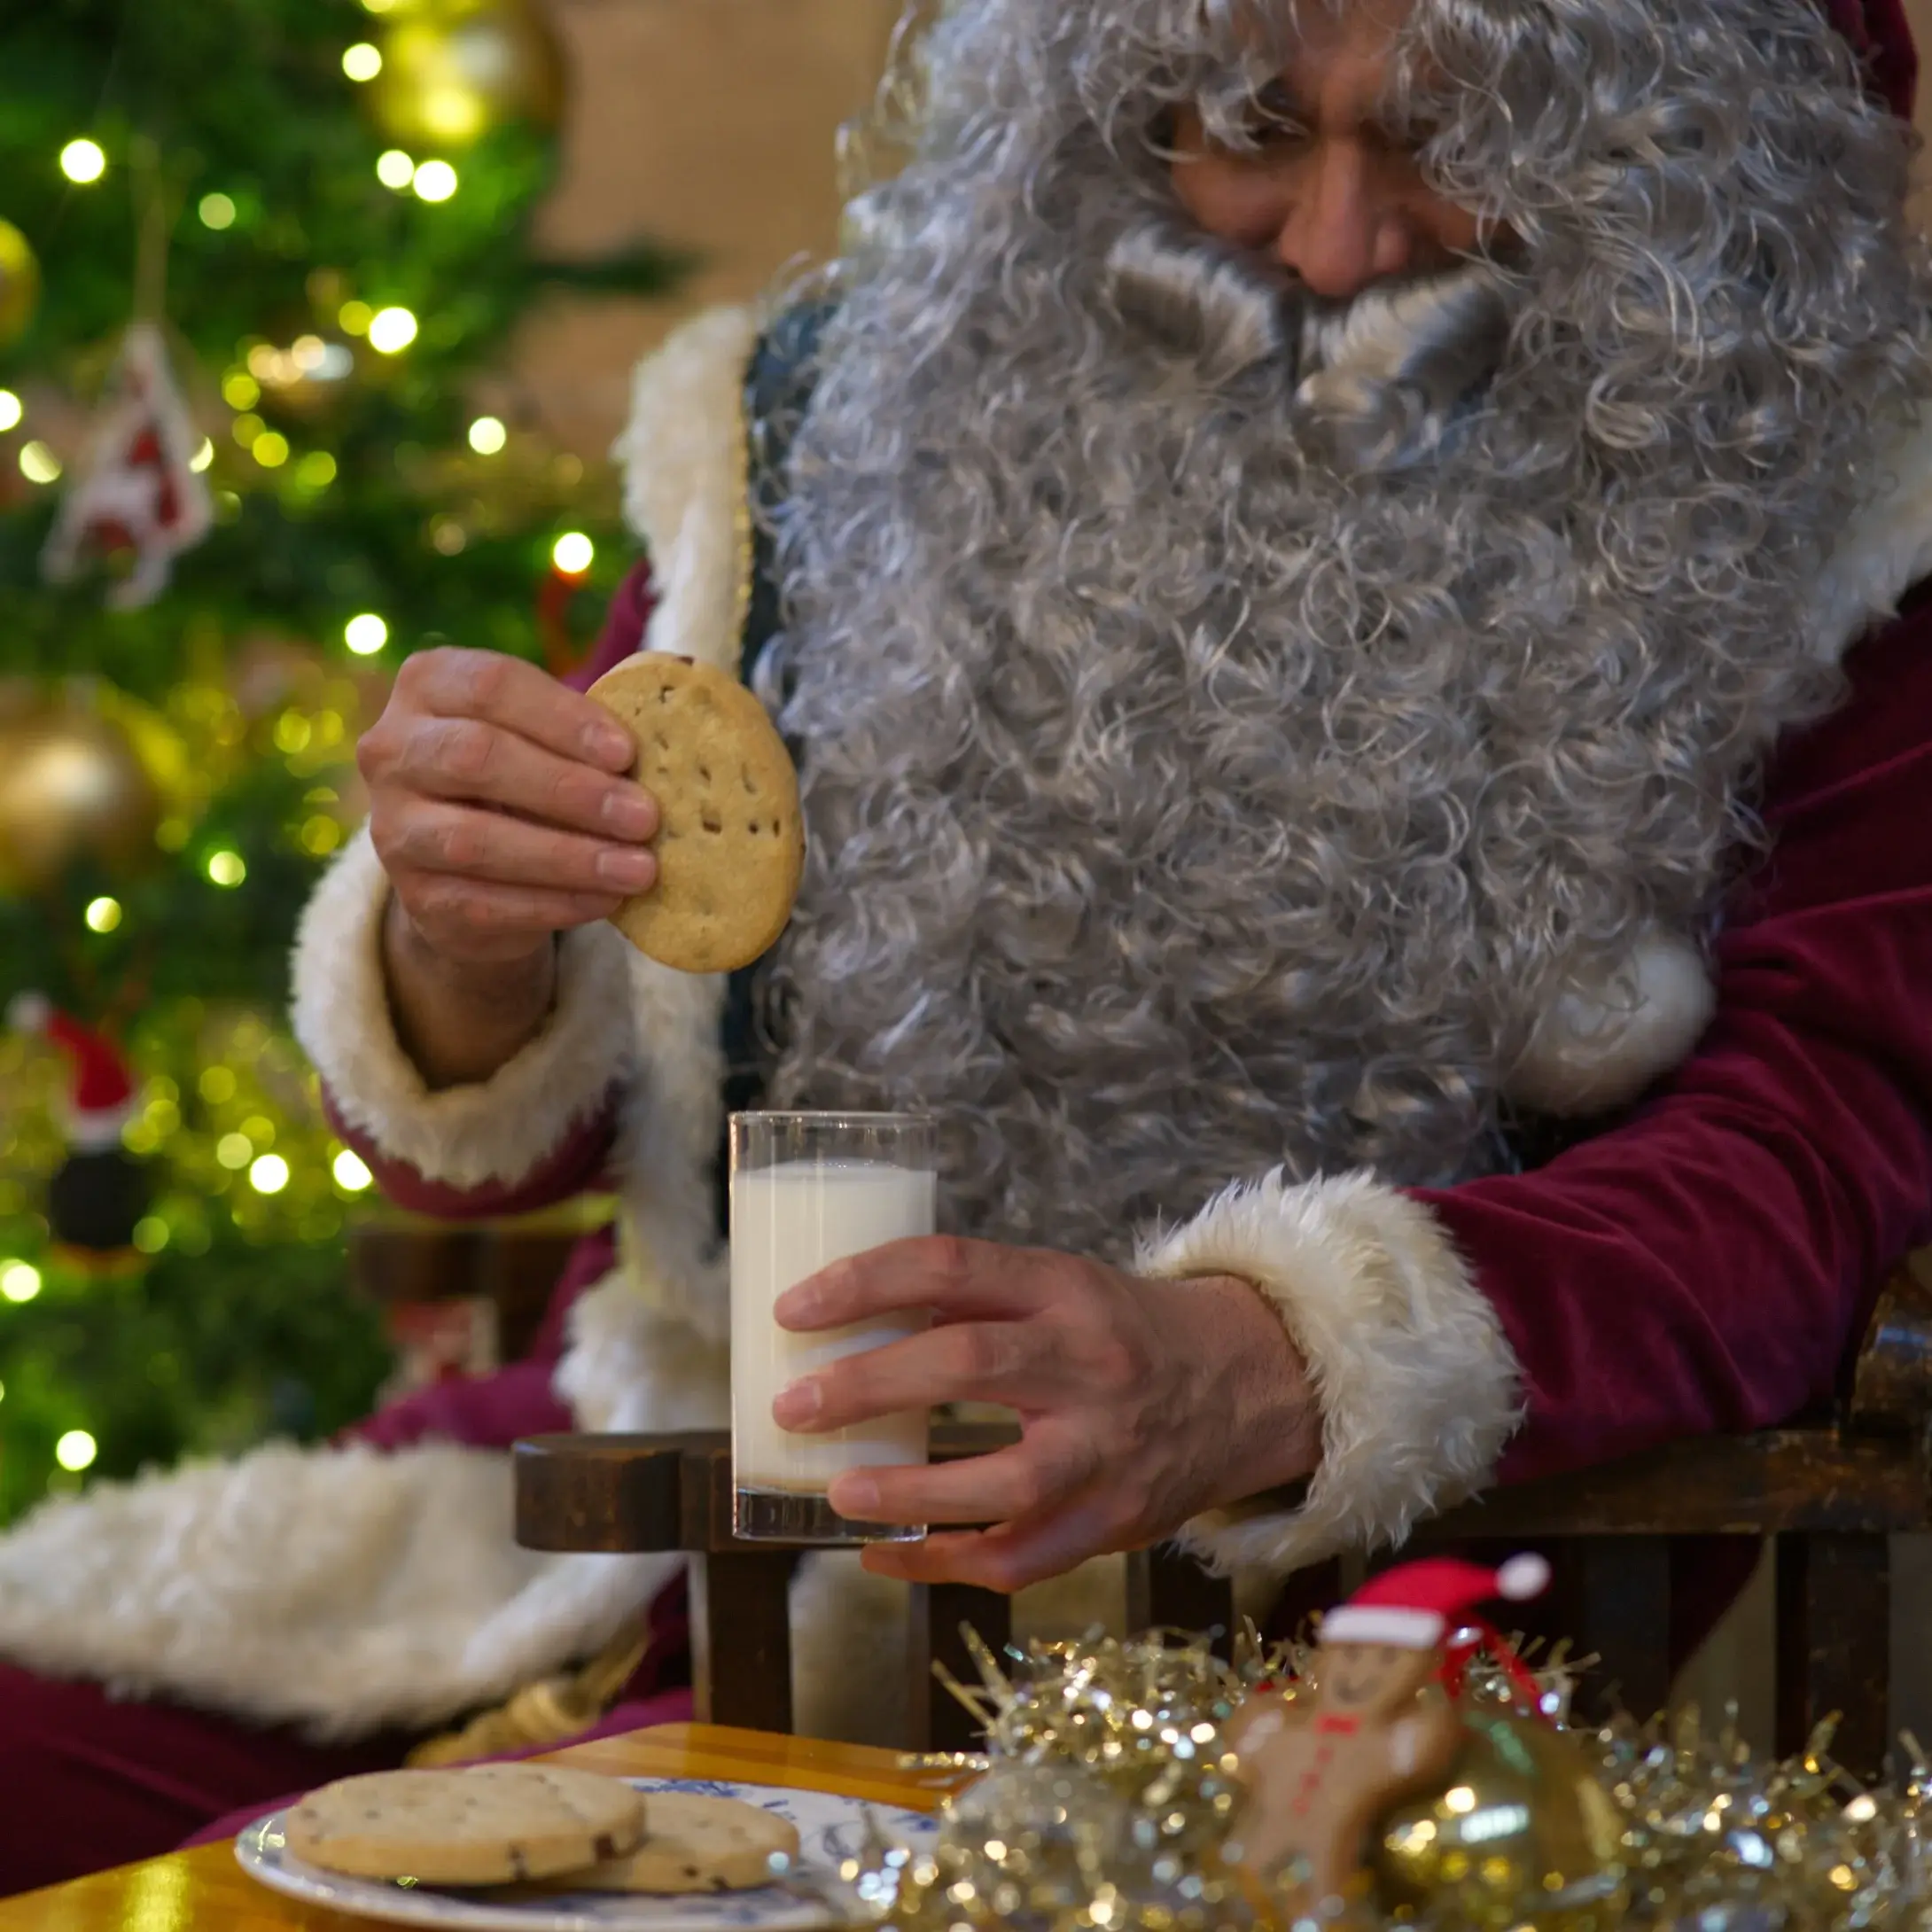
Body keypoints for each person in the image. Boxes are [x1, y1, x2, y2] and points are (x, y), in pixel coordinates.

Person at [2, 0, 1929, 1891]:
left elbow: (1813, 1158)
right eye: (1251, 124)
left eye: (1473, 136)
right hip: (672, 1523)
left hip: (1352, 1630)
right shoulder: (817, 414)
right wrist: (463, 938)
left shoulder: (1855, 522)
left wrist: (1265, 1359)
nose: (1341, 252)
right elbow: (495, 1135)